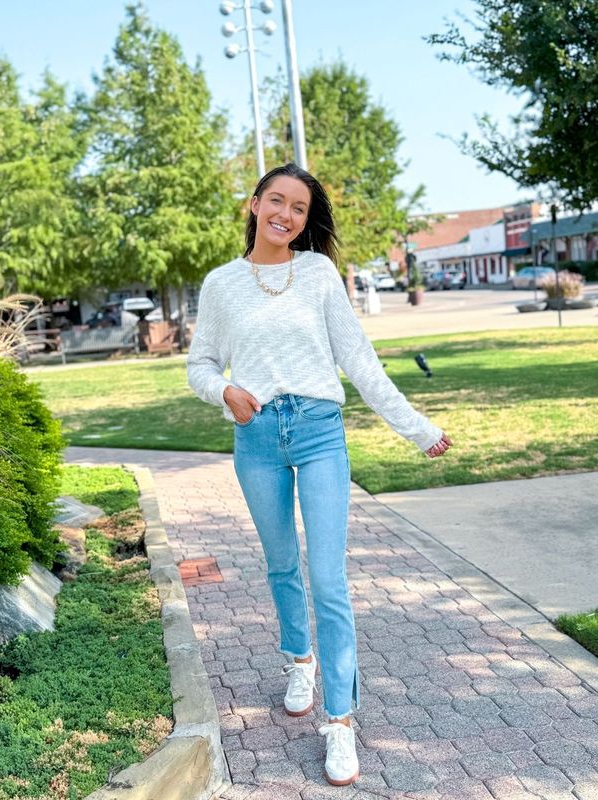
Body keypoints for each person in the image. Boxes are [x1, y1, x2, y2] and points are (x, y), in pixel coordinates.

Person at [187, 163, 452, 786]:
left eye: (299, 208)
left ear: (307, 220)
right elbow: (199, 363)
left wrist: (415, 427)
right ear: (254, 206)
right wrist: (224, 390)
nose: (286, 214)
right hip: (256, 438)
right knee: (281, 563)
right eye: (275, 201)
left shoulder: (318, 274)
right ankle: (298, 658)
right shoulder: (223, 284)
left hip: (318, 431)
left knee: (329, 578)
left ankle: (340, 723)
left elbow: (356, 358)